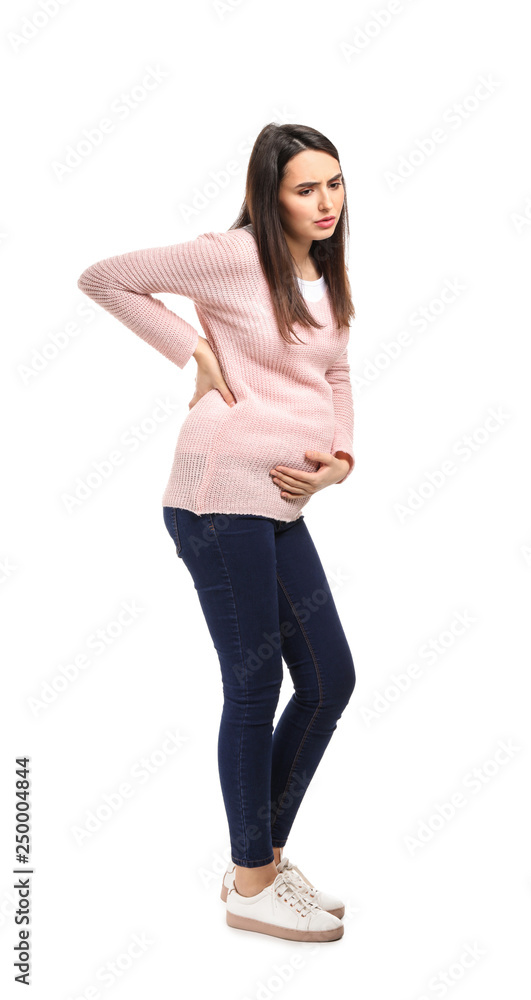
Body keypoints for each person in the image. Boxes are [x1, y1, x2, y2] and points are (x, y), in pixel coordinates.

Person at [77, 122, 357, 942]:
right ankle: (251, 881)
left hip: (281, 507)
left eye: (335, 183)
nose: (325, 202)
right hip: (216, 498)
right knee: (255, 684)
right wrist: (190, 347)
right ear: (269, 193)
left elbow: (335, 370)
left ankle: (260, 857)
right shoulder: (233, 255)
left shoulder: (322, 265)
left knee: (330, 677)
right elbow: (105, 279)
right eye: (306, 188)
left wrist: (338, 460)